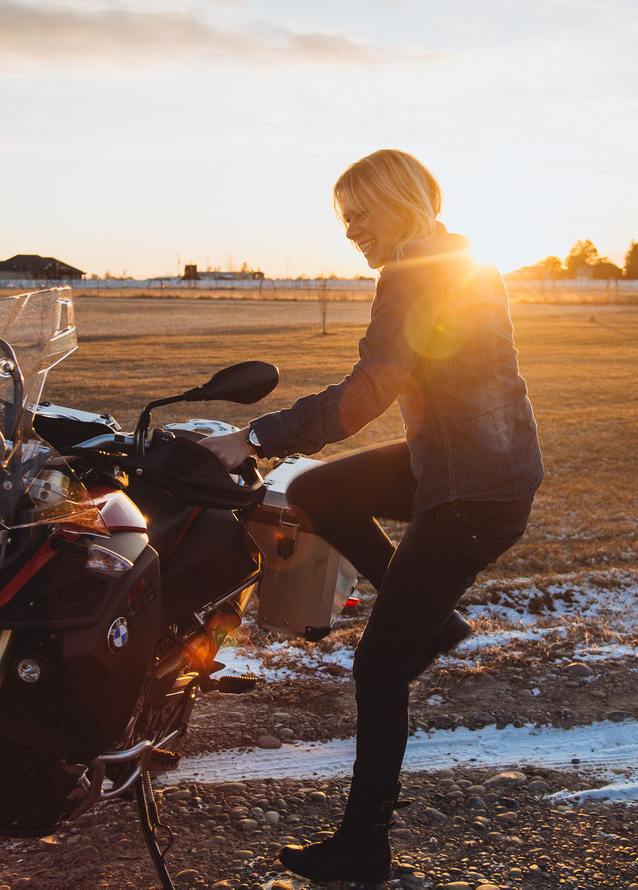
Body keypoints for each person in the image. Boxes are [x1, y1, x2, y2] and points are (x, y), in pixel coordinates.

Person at [202, 148, 543, 885]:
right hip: (464, 464)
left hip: (468, 494)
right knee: (320, 493)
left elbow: (365, 394)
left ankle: (364, 846)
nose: (352, 229)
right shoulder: (463, 262)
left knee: (379, 669)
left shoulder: (414, 273)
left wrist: (251, 436)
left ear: (401, 203)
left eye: (361, 213)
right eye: (344, 218)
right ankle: (439, 622)